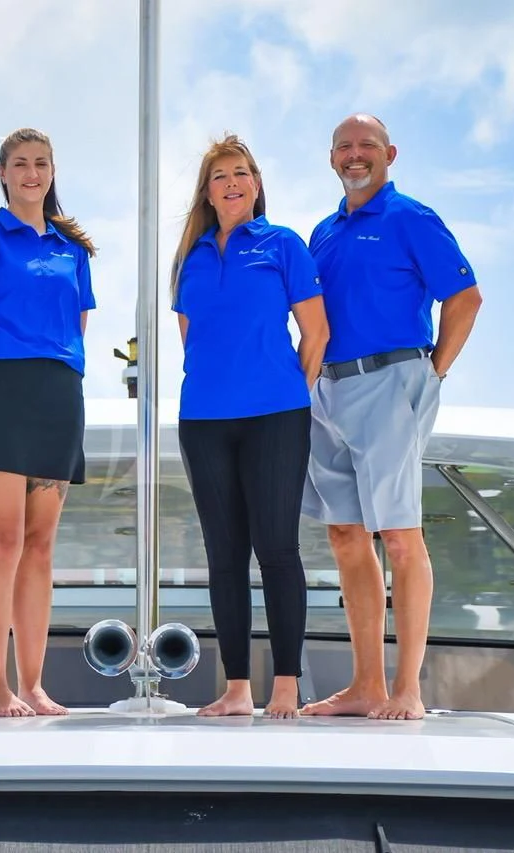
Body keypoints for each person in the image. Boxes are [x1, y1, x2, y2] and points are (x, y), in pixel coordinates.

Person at [300, 114, 483, 721]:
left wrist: (436, 370)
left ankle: (408, 690)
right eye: (346, 148)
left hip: (391, 380)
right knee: (346, 535)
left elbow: (465, 296)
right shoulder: (321, 233)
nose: (356, 156)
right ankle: (367, 686)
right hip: (328, 391)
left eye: (367, 146)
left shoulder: (412, 218)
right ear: (332, 159)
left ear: (390, 154)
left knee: (400, 537)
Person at [171, 134, 329, 719]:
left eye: (242, 173)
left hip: (276, 418)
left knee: (278, 550)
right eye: (220, 176)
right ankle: (237, 688)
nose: (232, 183)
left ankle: (285, 684)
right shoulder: (191, 257)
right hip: (205, 421)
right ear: (207, 192)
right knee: (224, 556)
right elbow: (194, 339)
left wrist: (290, 395)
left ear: (257, 184)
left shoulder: (283, 245)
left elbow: (316, 334)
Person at [0, 127, 96, 718]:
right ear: (2, 173)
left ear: (52, 173)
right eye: (20, 164)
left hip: (58, 393)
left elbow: (75, 330)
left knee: (40, 547)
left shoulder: (71, 248)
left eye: (41, 164)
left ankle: (32, 684)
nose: (31, 173)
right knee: (1, 542)